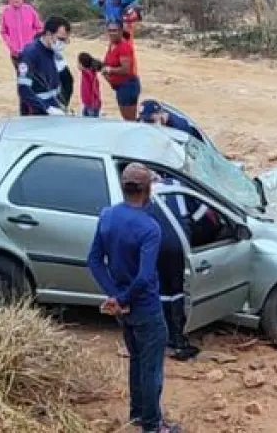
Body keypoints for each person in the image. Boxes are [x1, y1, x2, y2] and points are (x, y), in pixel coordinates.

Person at [86, 163, 182, 433]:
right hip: (145, 307)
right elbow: (144, 276)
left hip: (123, 309)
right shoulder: (150, 227)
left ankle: (138, 414)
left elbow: (94, 260)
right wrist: (125, 298)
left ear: (123, 186)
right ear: (147, 189)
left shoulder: (107, 216)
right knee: (151, 368)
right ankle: (152, 426)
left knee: (137, 360)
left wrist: (115, 297)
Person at [147, 173, 207, 361]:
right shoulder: (176, 184)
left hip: (155, 244)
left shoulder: (142, 191)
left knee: (162, 291)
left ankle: (165, 337)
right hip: (179, 245)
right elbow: (202, 211)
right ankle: (178, 338)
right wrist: (193, 229)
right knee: (178, 291)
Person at [17, 16, 71, 117]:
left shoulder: (54, 52)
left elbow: (67, 80)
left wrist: (63, 104)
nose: (62, 43)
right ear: (48, 34)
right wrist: (46, 108)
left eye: (65, 40)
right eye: (61, 39)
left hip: (55, 108)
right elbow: (23, 89)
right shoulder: (30, 53)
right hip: (35, 112)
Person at [101, 20, 141, 120]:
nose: (111, 33)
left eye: (114, 30)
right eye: (109, 30)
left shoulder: (124, 47)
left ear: (121, 31)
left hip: (127, 86)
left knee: (129, 120)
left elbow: (125, 69)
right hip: (120, 86)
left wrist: (109, 70)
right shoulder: (112, 44)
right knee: (128, 118)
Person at [0, 0, 42, 70]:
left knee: (33, 78)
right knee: (23, 79)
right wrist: (11, 45)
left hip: (31, 52)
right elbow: (3, 32)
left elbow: (39, 27)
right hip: (16, 55)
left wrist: (35, 43)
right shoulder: (6, 12)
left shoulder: (29, 10)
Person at [138, 100, 205, 142]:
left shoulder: (180, 129)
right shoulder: (139, 124)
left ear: (162, 115)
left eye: (150, 121)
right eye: (143, 120)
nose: (146, 125)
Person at [77, 52, 103, 117]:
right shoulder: (87, 72)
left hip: (92, 104)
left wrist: (94, 103)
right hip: (87, 104)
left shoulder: (87, 73)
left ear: (82, 64)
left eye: (78, 62)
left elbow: (94, 89)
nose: (77, 64)